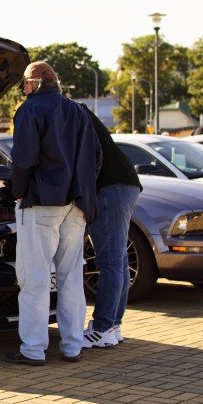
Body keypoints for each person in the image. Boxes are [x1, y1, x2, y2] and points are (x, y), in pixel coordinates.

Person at [0, 61, 101, 365]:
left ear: (32, 83)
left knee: (34, 278)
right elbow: (96, 157)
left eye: (23, 85)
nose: (24, 89)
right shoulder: (79, 110)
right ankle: (73, 346)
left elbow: (24, 160)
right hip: (77, 206)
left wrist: (13, 192)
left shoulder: (30, 109)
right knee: (72, 277)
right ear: (55, 81)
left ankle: (33, 349)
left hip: (43, 204)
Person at [80, 106, 142, 348]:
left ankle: (103, 327)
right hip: (124, 182)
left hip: (111, 185)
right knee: (119, 260)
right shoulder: (83, 114)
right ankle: (113, 324)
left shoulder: (72, 117)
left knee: (110, 261)